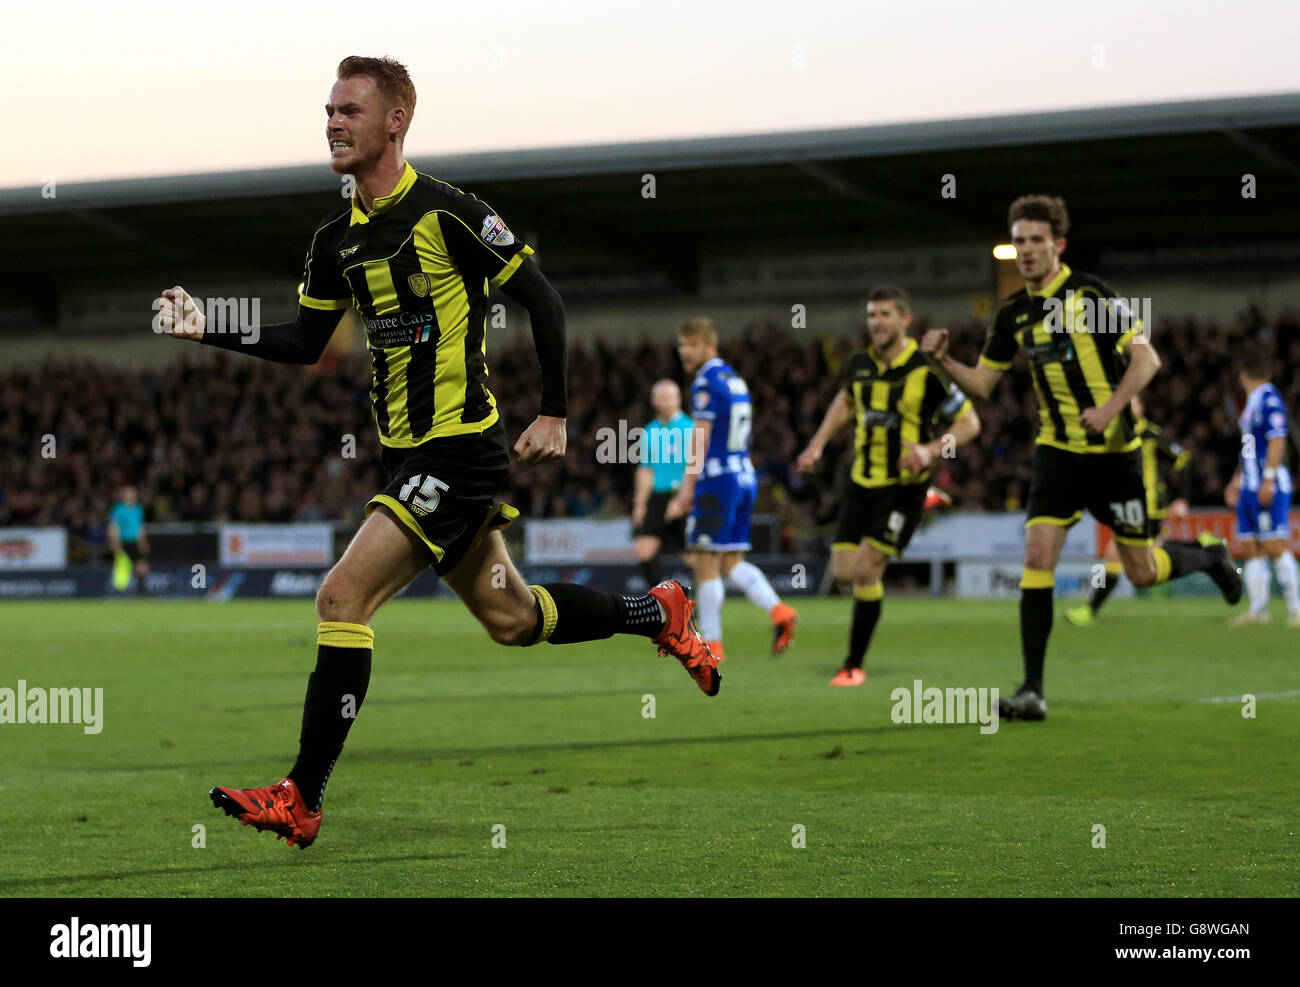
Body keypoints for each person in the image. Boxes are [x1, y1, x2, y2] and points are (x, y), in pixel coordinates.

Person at [156, 56, 719, 849]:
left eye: (349, 109)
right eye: (328, 109)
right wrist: (206, 324)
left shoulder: (449, 212)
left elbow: (543, 298)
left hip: (459, 451)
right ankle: (654, 610)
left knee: (340, 598)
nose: (332, 122)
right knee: (513, 619)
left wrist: (555, 409)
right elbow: (304, 340)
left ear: (395, 121)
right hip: (406, 459)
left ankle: (301, 796)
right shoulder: (334, 241)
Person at [921, 194, 1242, 721]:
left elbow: (1148, 357)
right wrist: (944, 361)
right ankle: (1032, 691)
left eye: (1036, 241)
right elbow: (982, 383)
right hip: (1058, 456)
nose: (1025, 250)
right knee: (1036, 557)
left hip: (1116, 455)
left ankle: (1209, 556)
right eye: (1018, 241)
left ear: (1058, 245)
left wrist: (1112, 406)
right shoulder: (1012, 315)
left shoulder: (1090, 295)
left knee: (1139, 572)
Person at [797, 286, 980, 686]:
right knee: (844, 573)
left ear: (905, 319)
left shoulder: (927, 370)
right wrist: (818, 443)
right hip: (862, 483)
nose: (876, 323)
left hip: (903, 488)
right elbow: (846, 401)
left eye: (884, 315)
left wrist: (932, 451)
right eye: (871, 315)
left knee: (865, 571)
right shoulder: (860, 363)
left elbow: (969, 424)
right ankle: (929, 504)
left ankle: (852, 665)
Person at [668, 318, 798, 662]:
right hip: (744, 477)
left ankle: (712, 644)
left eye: (692, 345)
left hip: (717, 480)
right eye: (682, 345)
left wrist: (686, 490)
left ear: (710, 346)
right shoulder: (735, 380)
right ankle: (779, 611)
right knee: (731, 562)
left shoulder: (704, 383)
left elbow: (701, 438)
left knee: (704, 563)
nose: (685, 352)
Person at [1065, 397, 1202, 625]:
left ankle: (1090, 609)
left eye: (1132, 403)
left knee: (1114, 555)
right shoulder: (1115, 433)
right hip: (1128, 507)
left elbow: (1183, 458)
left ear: (1141, 408)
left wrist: (1182, 499)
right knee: (1140, 562)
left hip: (1148, 509)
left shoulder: (1150, 434)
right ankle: (1203, 550)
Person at [1225, 346, 1300, 626]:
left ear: (1244, 374)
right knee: (1250, 547)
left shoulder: (1269, 400)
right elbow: (1248, 446)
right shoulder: (1252, 404)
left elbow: (1278, 439)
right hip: (1249, 486)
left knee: (1274, 545)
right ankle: (1258, 610)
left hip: (1268, 485)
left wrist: (1268, 478)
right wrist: (1237, 478)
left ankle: (1296, 609)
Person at [631, 379, 693, 588]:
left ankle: (703, 605)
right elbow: (646, 470)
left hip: (684, 495)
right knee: (643, 549)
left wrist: (683, 498)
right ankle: (665, 603)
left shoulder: (690, 428)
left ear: (678, 400)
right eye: (661, 398)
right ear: (654, 402)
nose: (666, 402)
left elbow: (695, 468)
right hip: (658, 496)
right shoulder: (649, 431)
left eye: (670, 397)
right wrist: (640, 504)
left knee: (694, 558)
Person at [107, 485, 150, 594]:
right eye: (128, 493)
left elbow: (140, 526)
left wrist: (143, 541)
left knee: (142, 564)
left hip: (135, 541)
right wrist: (114, 541)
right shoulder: (118, 509)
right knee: (122, 565)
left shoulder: (138, 509)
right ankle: (118, 590)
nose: (131, 495)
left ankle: (141, 589)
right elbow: (113, 526)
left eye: (133, 493)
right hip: (122, 541)